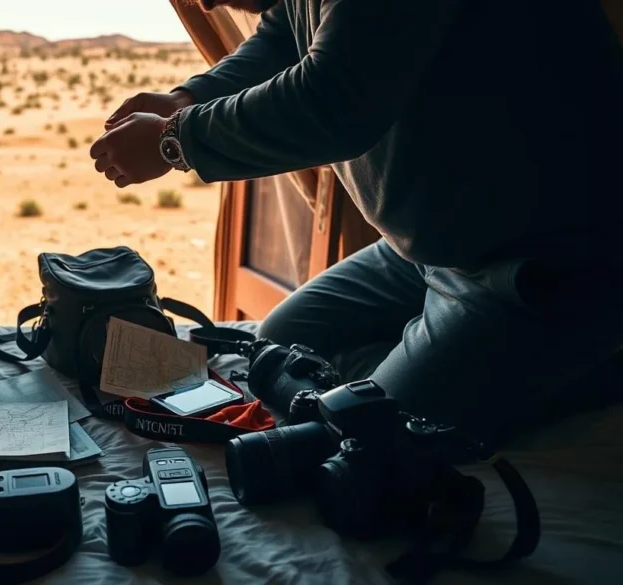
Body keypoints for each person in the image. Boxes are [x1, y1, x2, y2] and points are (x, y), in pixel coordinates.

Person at [90, 0, 623, 442]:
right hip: (425, 247)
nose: (208, 6)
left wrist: (175, 141)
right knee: (280, 345)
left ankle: (580, 358)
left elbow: (335, 100)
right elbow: (285, 34)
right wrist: (185, 99)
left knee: (377, 431)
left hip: (531, 257)